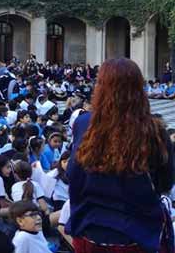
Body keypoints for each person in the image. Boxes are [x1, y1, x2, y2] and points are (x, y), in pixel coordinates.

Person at [68, 58, 174, 253]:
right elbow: (165, 182)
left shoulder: (83, 123)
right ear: (138, 89)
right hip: (137, 233)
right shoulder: (155, 131)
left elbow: (74, 175)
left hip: (90, 228)